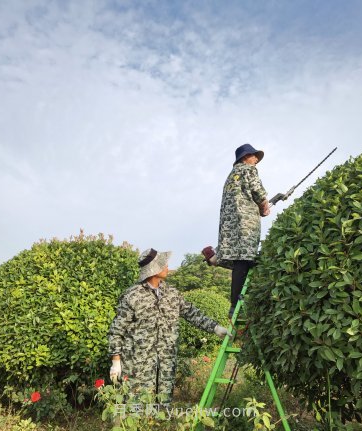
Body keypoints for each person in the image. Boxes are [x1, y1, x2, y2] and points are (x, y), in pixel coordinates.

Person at [108, 248, 228, 402]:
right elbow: (117, 330)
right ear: (153, 269)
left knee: (163, 409)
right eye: (162, 264)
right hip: (139, 366)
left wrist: (215, 328)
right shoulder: (132, 296)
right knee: (136, 408)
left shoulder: (172, 293)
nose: (166, 267)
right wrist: (116, 361)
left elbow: (192, 313)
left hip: (166, 363)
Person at [202, 143, 270, 318]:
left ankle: (215, 257)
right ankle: (236, 305)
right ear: (245, 157)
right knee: (244, 260)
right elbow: (258, 191)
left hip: (230, 225)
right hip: (245, 223)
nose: (256, 160)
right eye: (254, 156)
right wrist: (264, 206)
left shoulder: (231, 177)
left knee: (238, 258)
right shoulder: (248, 170)